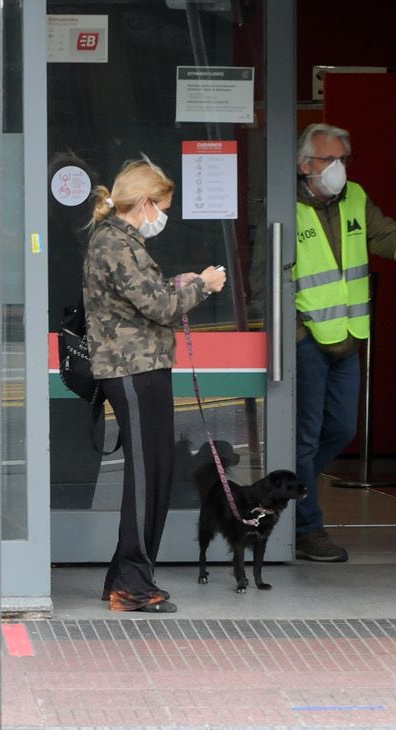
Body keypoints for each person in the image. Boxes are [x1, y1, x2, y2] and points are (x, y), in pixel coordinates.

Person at [83, 157, 227, 613]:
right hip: (133, 370)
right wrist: (204, 285)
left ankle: (122, 576)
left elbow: (145, 296)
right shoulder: (115, 243)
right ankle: (133, 584)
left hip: (140, 368)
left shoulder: (120, 241)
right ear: (144, 202)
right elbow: (162, 308)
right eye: (161, 206)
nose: (162, 216)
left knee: (154, 473)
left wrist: (175, 283)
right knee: (149, 478)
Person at [292, 123, 396, 562]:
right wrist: (291, 329)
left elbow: (381, 230)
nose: (339, 169)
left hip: (348, 337)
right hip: (307, 337)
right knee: (306, 437)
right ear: (305, 164)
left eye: (344, 160)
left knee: (342, 429)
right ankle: (306, 527)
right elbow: (265, 270)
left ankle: (283, 493)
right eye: (331, 160)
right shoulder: (285, 202)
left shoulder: (355, 196)